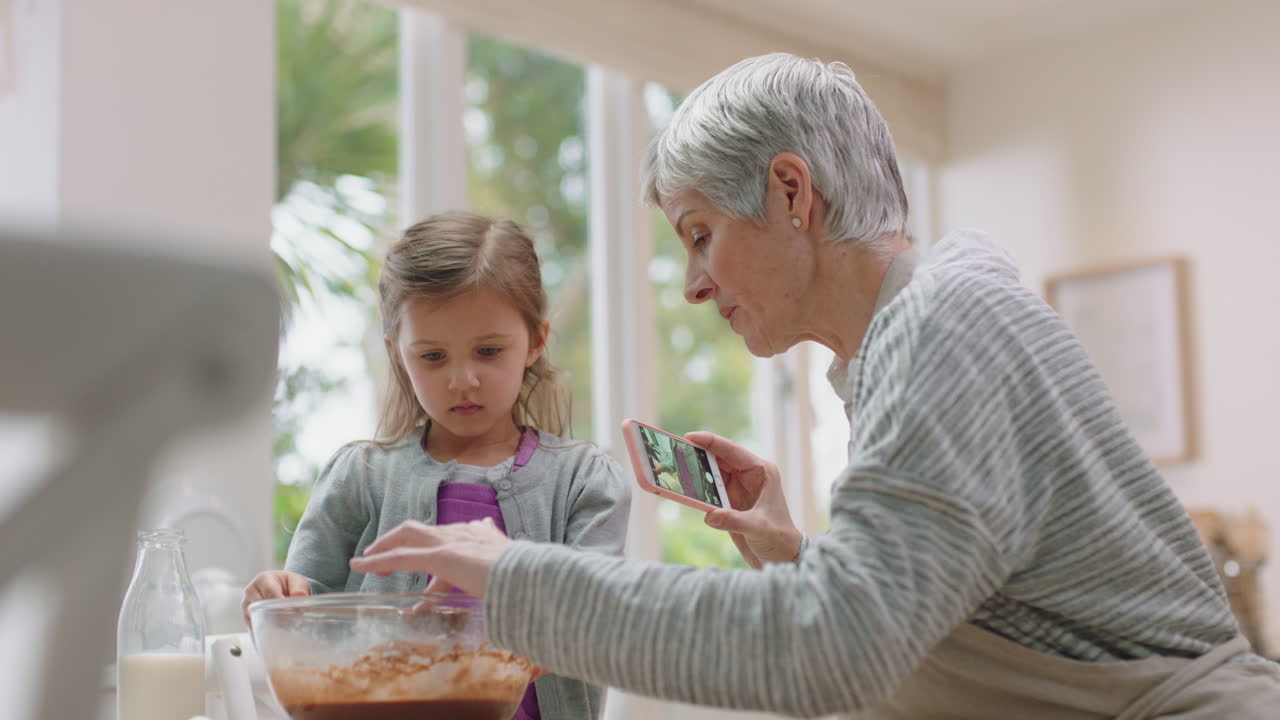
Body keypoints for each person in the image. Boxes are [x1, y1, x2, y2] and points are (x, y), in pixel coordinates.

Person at [349, 54, 1280, 718]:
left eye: (700, 233)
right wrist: (795, 556)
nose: (694, 283)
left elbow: (832, 651)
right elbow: (919, 623)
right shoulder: (903, 351)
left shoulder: (947, 323)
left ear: (792, 192)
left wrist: (517, 578)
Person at [242, 211, 631, 720]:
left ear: (536, 341)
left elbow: (597, 615)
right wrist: (275, 597)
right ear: (398, 354)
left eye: (488, 351)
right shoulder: (359, 477)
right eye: (432, 357)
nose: (462, 380)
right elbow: (304, 621)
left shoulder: (584, 482)